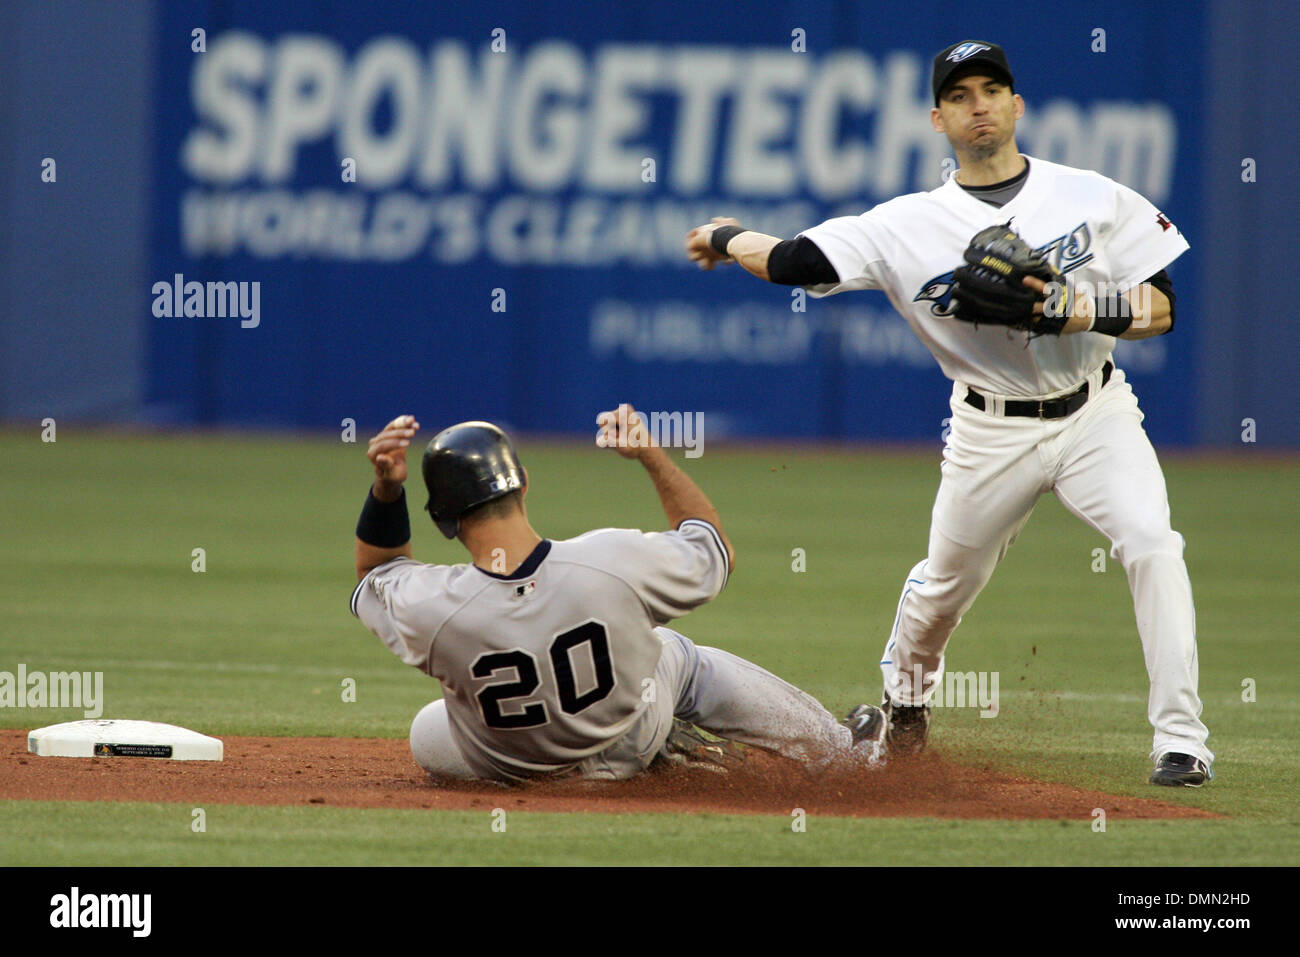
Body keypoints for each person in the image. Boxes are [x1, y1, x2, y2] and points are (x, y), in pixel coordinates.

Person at [684, 40, 1211, 787]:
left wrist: (1075, 308)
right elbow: (795, 260)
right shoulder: (906, 224)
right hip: (989, 429)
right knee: (943, 589)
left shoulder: (1091, 194)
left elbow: (1163, 308)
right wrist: (727, 235)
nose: (979, 105)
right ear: (938, 119)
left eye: (992, 89)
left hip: (1096, 414)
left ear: (1018, 104)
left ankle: (1181, 742)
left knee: (1153, 544)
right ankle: (904, 703)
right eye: (960, 96)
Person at [349, 406, 886, 783]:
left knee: (428, 728)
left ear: (443, 520)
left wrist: (387, 489)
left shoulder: (433, 607)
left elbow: (378, 570)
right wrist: (653, 457)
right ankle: (841, 753)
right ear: (524, 483)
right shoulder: (610, 561)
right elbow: (711, 548)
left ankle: (619, 768)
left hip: (510, 766)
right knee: (673, 652)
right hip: (628, 740)